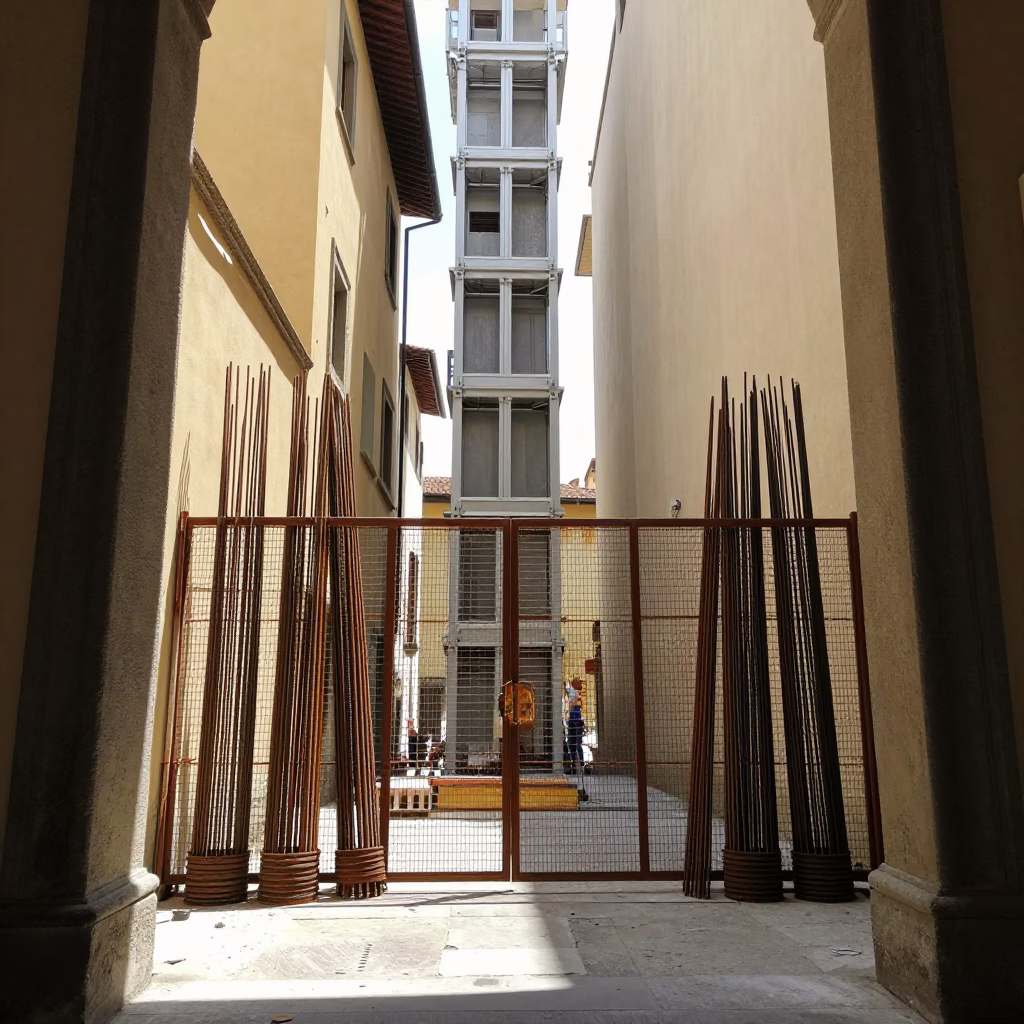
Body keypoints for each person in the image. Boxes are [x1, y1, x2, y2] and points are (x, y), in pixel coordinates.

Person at [567, 699, 588, 802]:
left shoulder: (575, 704)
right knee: (575, 745)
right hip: (575, 721)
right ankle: (577, 763)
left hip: (574, 720)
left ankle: (576, 763)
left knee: (574, 745)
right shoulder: (575, 711)